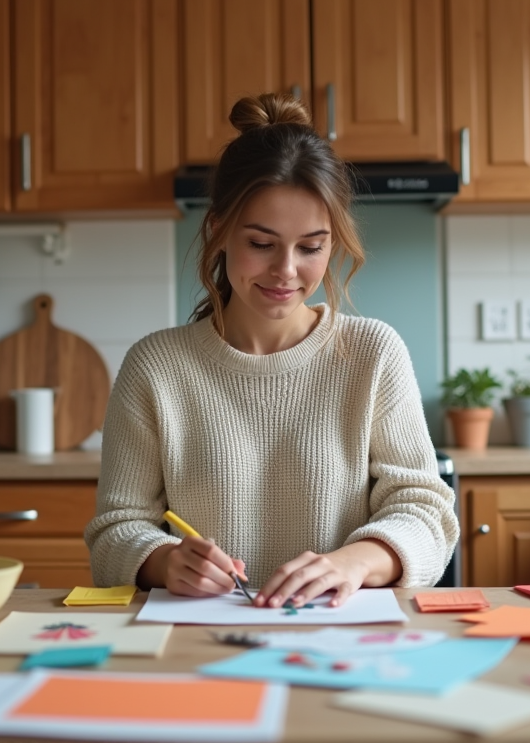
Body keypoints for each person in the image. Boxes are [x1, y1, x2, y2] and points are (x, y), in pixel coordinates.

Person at [84, 93, 459, 609]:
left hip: (340, 636)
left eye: (311, 247)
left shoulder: (373, 353)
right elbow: (115, 531)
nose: (286, 270)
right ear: (218, 231)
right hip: (199, 638)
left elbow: (426, 514)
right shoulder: (155, 367)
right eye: (261, 244)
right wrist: (167, 561)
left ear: (333, 243)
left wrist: (353, 562)